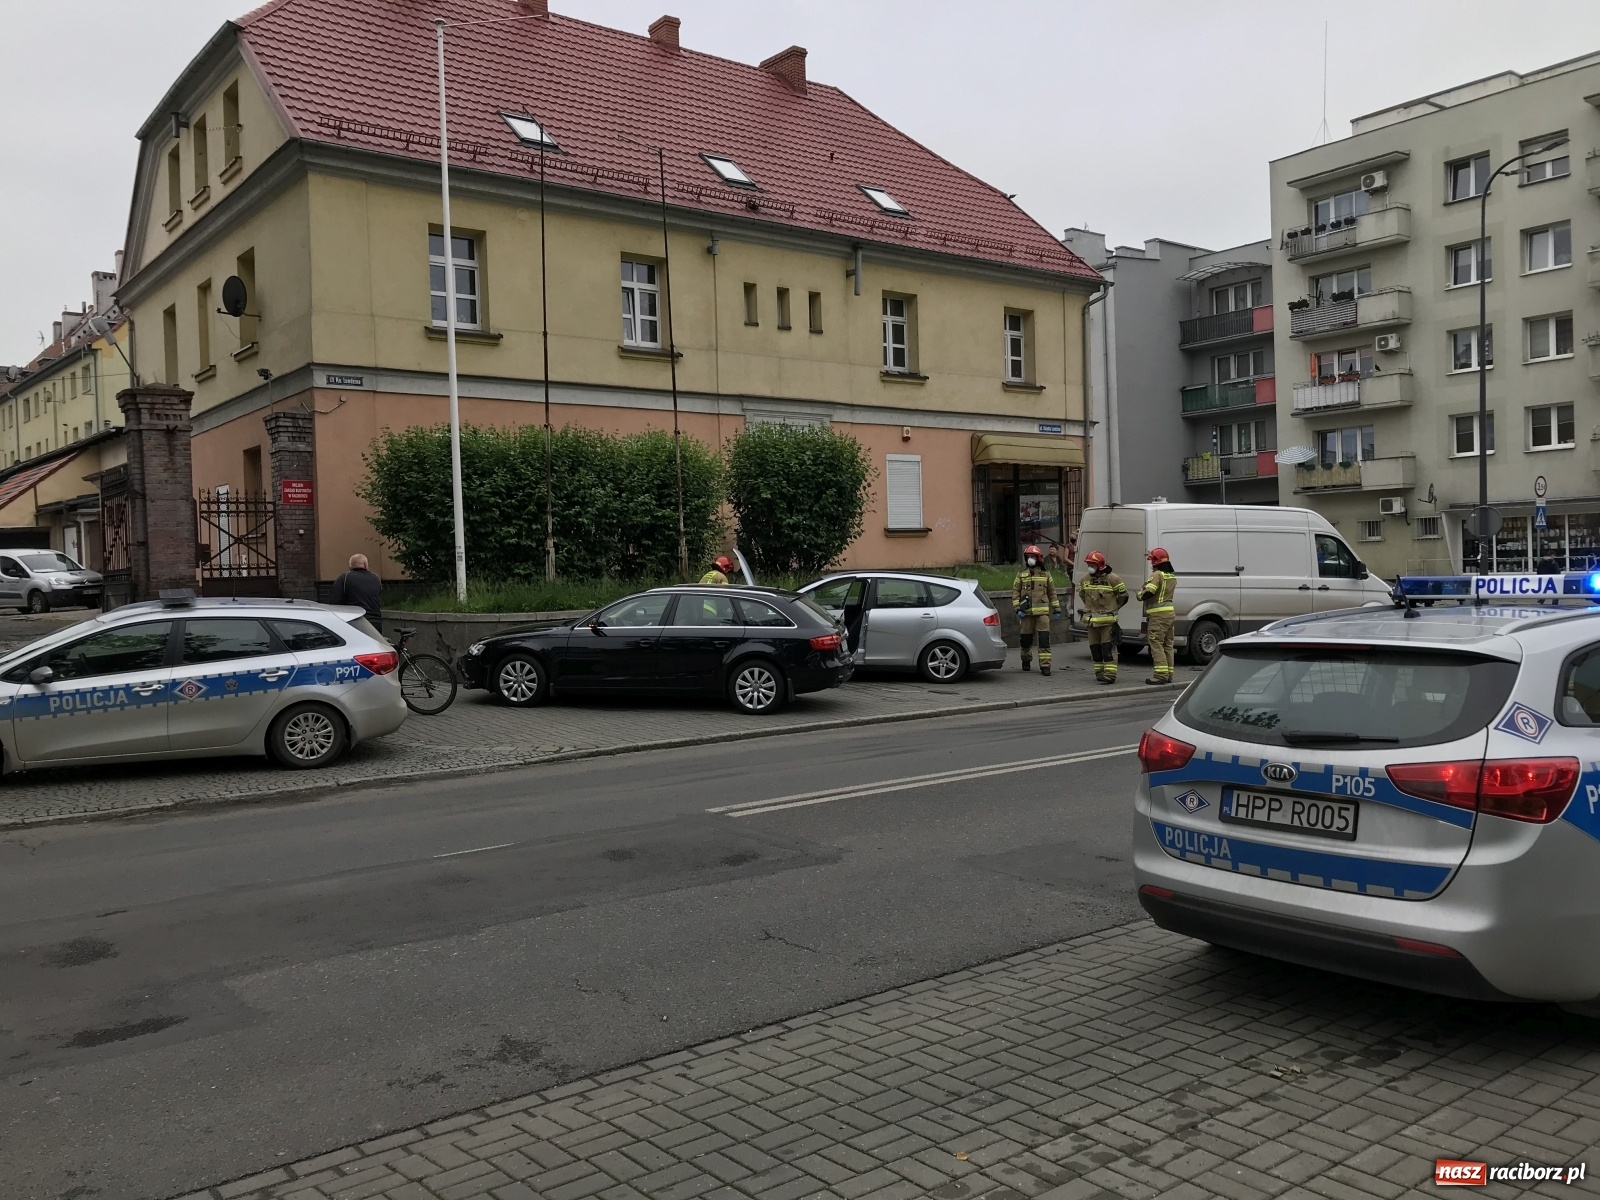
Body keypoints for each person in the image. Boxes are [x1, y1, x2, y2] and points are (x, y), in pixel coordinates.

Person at [1078, 549, 1128, 684]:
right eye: (1088, 564)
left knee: (1108, 648)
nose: (1090, 568)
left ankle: (1110, 675)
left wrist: (1114, 608)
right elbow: (1082, 595)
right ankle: (1099, 673)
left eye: (1092, 565)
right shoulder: (1084, 579)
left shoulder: (1113, 579)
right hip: (1091, 622)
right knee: (1095, 649)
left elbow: (1123, 596)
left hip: (1108, 622)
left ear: (1100, 566)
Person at [1011, 545, 1060, 676]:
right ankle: (1026, 661)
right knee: (1025, 641)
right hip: (1026, 614)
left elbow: (1052, 592)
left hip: (1042, 614)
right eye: (1028, 557)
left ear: (1038, 558)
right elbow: (1015, 592)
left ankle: (1045, 666)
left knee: (1044, 640)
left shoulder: (1046, 574)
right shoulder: (1021, 574)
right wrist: (1017, 609)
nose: (1030, 559)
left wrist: (1056, 609)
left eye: (1032, 557)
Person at [1137, 547, 1178, 685]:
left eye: (1151, 561)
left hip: (1158, 616)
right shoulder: (1171, 576)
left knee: (1156, 644)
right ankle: (1168, 674)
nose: (1151, 564)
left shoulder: (1157, 575)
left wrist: (1140, 594)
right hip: (1170, 614)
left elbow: (1150, 591)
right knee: (1168, 645)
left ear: (1155, 561)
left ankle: (1160, 675)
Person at [330, 553, 384, 633]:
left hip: (354, 622)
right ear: (365, 564)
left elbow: (334, 603)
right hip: (375, 623)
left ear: (350, 566)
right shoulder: (376, 578)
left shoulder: (344, 578)